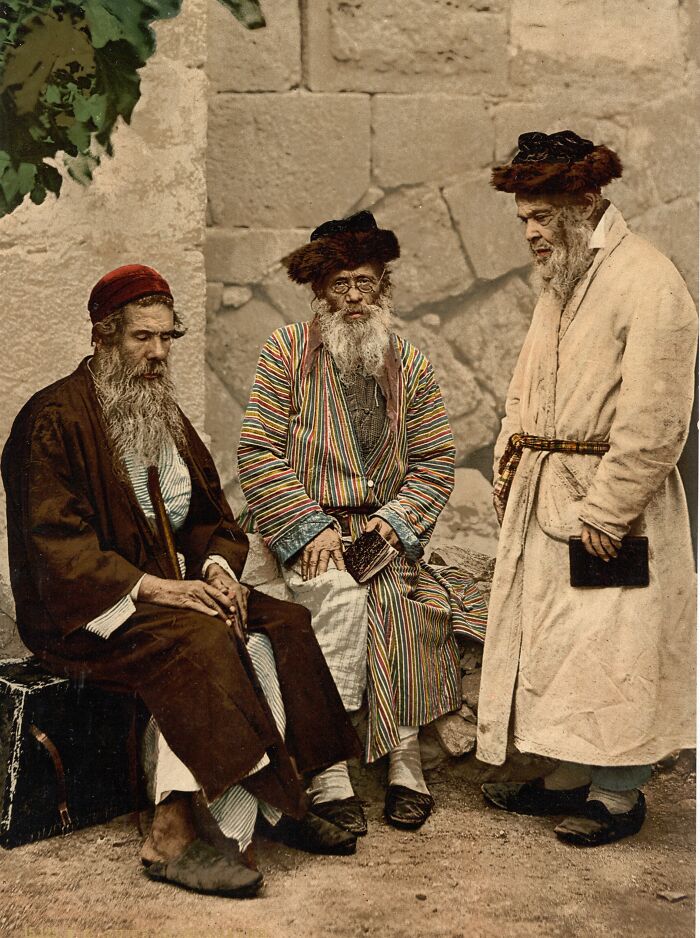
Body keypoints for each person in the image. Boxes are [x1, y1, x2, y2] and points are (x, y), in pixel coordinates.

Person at [1, 264, 362, 898]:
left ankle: (282, 805)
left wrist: (219, 570)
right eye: (143, 338)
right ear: (103, 336)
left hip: (168, 598)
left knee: (281, 622)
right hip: (84, 613)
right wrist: (161, 589)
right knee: (199, 640)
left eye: (168, 338)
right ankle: (170, 832)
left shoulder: (159, 411)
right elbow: (54, 548)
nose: (158, 354)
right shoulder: (51, 419)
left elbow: (206, 516)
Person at [476, 131, 697, 845]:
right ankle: (569, 776)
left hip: (612, 500)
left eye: (541, 217)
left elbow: (658, 414)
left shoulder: (647, 278)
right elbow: (527, 384)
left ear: (585, 200)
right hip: (548, 488)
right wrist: (511, 458)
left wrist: (610, 506)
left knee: (615, 647)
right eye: (524, 221)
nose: (532, 233)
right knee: (560, 642)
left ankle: (618, 796)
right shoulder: (565, 278)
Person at [238, 211, 487, 835]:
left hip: (379, 533)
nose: (353, 297)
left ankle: (405, 764)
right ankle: (329, 770)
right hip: (304, 530)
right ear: (319, 292)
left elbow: (432, 460)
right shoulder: (286, 353)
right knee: (328, 604)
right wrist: (305, 524)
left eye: (366, 283)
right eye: (341, 284)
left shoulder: (410, 365)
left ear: (385, 289)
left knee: (400, 605)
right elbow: (257, 450)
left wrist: (393, 524)